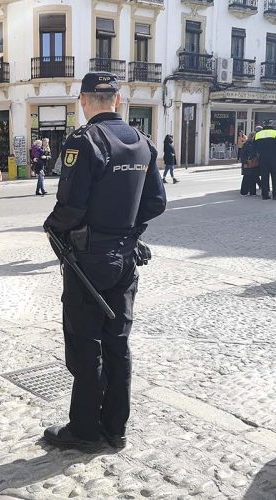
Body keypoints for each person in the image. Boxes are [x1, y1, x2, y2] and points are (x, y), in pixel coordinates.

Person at [43, 72, 166, 451]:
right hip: (125, 258)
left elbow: (71, 206)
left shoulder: (85, 141)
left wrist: (51, 225)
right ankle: (116, 428)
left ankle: (84, 430)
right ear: (118, 99)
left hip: (87, 261)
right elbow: (156, 203)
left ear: (83, 100)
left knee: (85, 345)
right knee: (118, 344)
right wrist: (130, 231)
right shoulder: (142, 142)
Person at [253, 120, 276, 200]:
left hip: (262, 158)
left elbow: (254, 147)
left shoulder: (258, 134)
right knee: (275, 177)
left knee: (264, 177)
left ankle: (265, 195)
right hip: (274, 158)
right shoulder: (275, 133)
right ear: (272, 125)